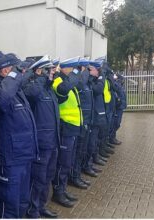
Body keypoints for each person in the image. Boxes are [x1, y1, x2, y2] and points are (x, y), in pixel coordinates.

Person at [0, 53, 38, 218]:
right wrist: (16, 74)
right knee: (9, 206)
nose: (21, 73)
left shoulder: (17, 91)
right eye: (16, 69)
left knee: (22, 202)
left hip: (24, 157)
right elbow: (1, 100)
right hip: (10, 160)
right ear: (6, 71)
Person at [22, 56, 60, 218]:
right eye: (48, 69)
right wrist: (40, 77)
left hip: (53, 141)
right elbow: (32, 93)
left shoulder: (49, 89)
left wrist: (46, 80)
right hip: (41, 143)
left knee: (47, 176)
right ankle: (33, 209)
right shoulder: (32, 87)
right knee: (38, 178)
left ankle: (41, 205)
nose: (52, 72)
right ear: (39, 71)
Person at [51, 57, 82, 208]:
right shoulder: (58, 82)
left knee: (68, 162)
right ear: (65, 68)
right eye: (72, 68)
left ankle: (63, 189)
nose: (74, 71)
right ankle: (58, 193)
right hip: (65, 128)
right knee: (62, 164)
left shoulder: (68, 82)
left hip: (73, 127)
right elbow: (63, 90)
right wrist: (76, 74)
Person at [69, 58, 93, 190]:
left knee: (81, 150)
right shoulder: (76, 79)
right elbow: (81, 83)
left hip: (83, 121)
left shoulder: (80, 78)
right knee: (77, 152)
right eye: (85, 67)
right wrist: (82, 72)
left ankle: (76, 175)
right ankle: (74, 177)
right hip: (74, 124)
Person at [83, 60, 107, 177]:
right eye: (90, 69)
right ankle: (87, 166)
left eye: (93, 69)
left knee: (94, 143)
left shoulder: (95, 80)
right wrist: (101, 77)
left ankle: (90, 164)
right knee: (90, 144)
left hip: (97, 117)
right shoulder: (90, 82)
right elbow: (98, 90)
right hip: (91, 118)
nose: (91, 72)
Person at [109, 73, 126, 145]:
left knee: (117, 124)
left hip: (121, 107)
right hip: (117, 107)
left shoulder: (120, 86)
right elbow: (117, 91)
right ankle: (111, 138)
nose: (123, 81)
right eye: (122, 80)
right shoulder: (116, 84)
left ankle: (112, 137)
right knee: (116, 124)